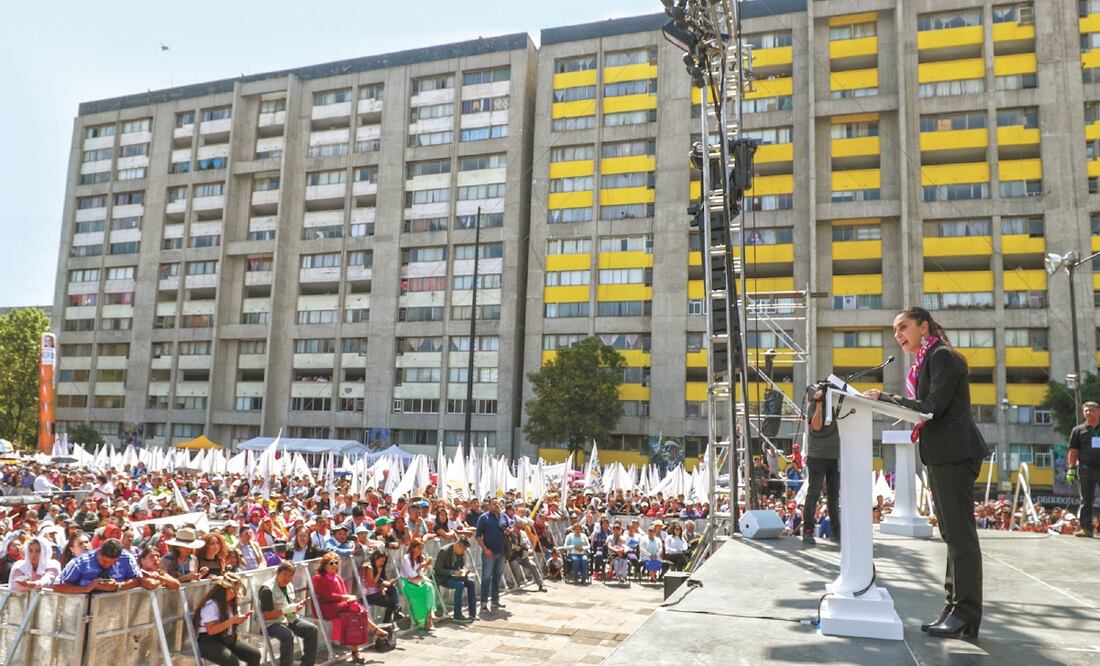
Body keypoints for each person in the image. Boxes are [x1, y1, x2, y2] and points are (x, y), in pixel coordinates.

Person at [865, 306, 988, 640]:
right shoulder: (928, 359)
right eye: (895, 331)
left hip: (954, 454)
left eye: (903, 327)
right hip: (942, 454)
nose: (898, 335)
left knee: (960, 536)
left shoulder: (942, 356)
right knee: (951, 534)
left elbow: (932, 406)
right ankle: (954, 608)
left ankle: (965, 613)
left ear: (923, 326)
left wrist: (884, 399)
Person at [311, 552, 380, 663]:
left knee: (355, 613)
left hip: (339, 606)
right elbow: (325, 596)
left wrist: (348, 598)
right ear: (324, 565)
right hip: (325, 608)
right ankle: (373, 629)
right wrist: (345, 597)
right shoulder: (318, 578)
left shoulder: (338, 577)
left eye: (336, 563)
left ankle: (356, 649)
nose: (334, 565)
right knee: (355, 608)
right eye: (331, 563)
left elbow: (343, 593)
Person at [193, 572, 260, 666]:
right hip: (209, 641)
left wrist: (239, 620)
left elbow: (230, 623)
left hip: (227, 637)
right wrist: (231, 621)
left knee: (255, 654)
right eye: (232, 591)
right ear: (223, 589)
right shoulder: (211, 604)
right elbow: (211, 630)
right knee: (232, 662)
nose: (234, 594)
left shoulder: (231, 603)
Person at [260, 561, 318, 666]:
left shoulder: (289, 586)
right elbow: (265, 615)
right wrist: (285, 610)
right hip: (271, 623)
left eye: (290, 576)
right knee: (288, 635)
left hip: (288, 619)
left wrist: (296, 607)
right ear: (278, 573)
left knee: (312, 629)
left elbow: (289, 609)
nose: (287, 578)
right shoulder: (267, 589)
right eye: (284, 575)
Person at [803, 387, 841, 545]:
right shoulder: (814, 404)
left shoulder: (837, 406)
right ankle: (808, 531)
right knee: (813, 494)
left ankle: (836, 532)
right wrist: (819, 403)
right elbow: (817, 425)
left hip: (834, 457)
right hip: (817, 457)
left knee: (833, 497)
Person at [54, 538, 142, 594]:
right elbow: (57, 586)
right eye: (104, 561)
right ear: (99, 552)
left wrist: (118, 586)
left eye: (112, 562)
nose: (107, 565)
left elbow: (138, 579)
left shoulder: (127, 557)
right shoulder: (79, 563)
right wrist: (85, 588)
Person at [1065, 401, 1100, 538]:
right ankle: (1086, 528)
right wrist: (1071, 468)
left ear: (1098, 412)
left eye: (1091, 410)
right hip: (1086, 468)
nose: (1088, 413)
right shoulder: (1078, 430)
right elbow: (1073, 450)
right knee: (1086, 500)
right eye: (1086, 411)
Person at [475, 498, 509, 613]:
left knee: (497, 577)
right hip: (489, 552)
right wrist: (485, 549)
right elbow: (478, 536)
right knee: (486, 578)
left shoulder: (503, 517)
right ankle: (484, 602)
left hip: (501, 552)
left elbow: (508, 529)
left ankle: (495, 600)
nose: (496, 506)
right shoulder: (484, 518)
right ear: (489, 506)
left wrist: (508, 531)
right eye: (494, 504)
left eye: (498, 504)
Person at [433, 536, 477, 623]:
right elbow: (438, 569)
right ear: (458, 545)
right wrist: (453, 572)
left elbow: (461, 566)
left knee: (471, 583)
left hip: (455, 576)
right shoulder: (444, 551)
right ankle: (457, 615)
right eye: (463, 549)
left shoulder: (460, 552)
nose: (463, 552)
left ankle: (472, 613)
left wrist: (464, 570)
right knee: (459, 585)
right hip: (442, 577)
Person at [398, 538, 436, 633]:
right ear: (413, 548)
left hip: (417, 581)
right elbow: (411, 574)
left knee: (429, 587)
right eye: (419, 548)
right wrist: (422, 566)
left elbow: (421, 574)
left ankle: (429, 615)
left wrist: (425, 567)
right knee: (421, 593)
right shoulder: (406, 559)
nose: (420, 551)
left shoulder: (420, 557)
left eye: (422, 548)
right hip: (406, 582)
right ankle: (425, 619)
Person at [360, 550, 402, 624]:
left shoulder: (377, 567)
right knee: (392, 604)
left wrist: (389, 583)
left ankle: (393, 615)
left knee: (393, 589)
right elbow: (371, 584)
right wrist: (379, 572)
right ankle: (391, 617)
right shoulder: (368, 567)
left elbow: (380, 582)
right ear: (376, 558)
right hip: (368, 596)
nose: (382, 564)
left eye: (384, 561)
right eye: (381, 561)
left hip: (376, 593)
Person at [506, 523, 547, 592]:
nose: (519, 529)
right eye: (518, 527)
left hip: (523, 556)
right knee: (514, 564)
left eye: (520, 527)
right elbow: (508, 544)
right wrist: (515, 547)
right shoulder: (510, 534)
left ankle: (541, 585)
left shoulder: (523, 533)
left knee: (533, 565)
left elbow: (528, 544)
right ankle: (517, 582)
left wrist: (525, 546)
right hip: (513, 557)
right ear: (514, 527)